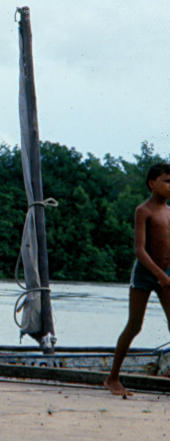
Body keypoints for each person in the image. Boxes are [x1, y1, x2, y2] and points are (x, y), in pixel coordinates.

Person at [104, 162, 170, 396]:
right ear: (152, 184)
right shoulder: (144, 210)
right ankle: (112, 378)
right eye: (167, 181)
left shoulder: (169, 212)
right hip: (145, 272)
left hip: (167, 273)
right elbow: (140, 250)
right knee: (134, 325)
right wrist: (159, 275)